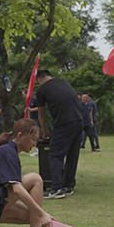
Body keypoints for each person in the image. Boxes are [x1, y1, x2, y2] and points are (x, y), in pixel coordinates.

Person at [35, 69, 84, 198]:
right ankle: (68, 185)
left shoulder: (42, 90)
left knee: (55, 155)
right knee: (72, 155)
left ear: (39, 80)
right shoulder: (64, 82)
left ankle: (56, 188)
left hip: (63, 123)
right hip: (79, 121)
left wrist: (45, 130)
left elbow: (41, 114)